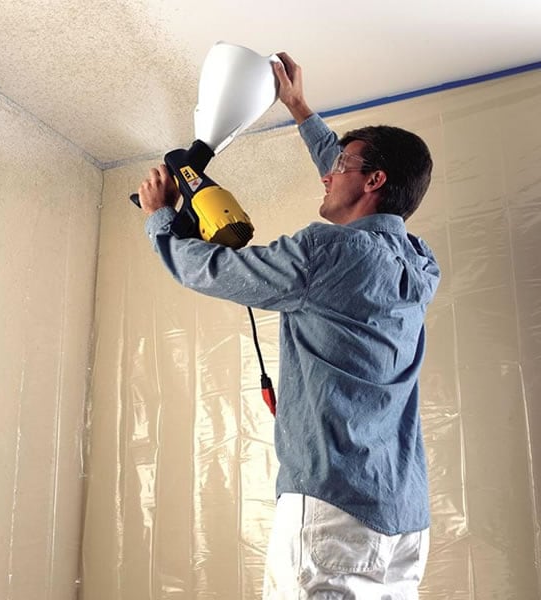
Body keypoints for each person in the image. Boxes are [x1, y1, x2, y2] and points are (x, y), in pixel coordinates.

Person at [137, 52, 440, 599]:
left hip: (334, 510)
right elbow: (357, 181)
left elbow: (208, 269)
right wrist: (300, 111)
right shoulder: (419, 263)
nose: (328, 175)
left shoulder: (326, 253)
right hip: (404, 516)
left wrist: (161, 219)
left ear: (373, 180)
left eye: (341, 168)